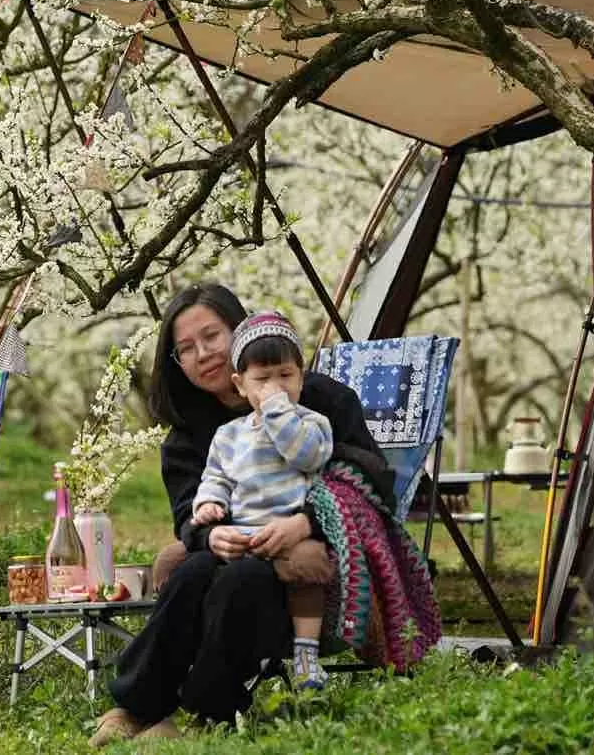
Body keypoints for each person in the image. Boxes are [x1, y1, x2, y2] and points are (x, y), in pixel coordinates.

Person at [91, 282, 390, 746]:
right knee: (193, 570)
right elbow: (188, 516)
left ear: (239, 327)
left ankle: (202, 710)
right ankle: (137, 704)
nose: (204, 353)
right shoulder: (190, 436)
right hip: (236, 548)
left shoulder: (317, 401)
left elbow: (370, 474)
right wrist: (209, 535)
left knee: (241, 582)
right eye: (185, 349)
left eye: (212, 335)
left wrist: (307, 521)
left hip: (310, 559)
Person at [187, 310, 334, 693]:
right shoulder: (229, 435)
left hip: (291, 529)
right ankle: (210, 662)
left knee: (306, 573)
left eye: (286, 376)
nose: (276, 387)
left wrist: (278, 412)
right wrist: (208, 505)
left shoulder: (311, 424)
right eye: (263, 379)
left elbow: (307, 456)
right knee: (213, 576)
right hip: (246, 532)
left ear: (302, 376)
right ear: (239, 384)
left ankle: (306, 654)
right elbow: (215, 475)